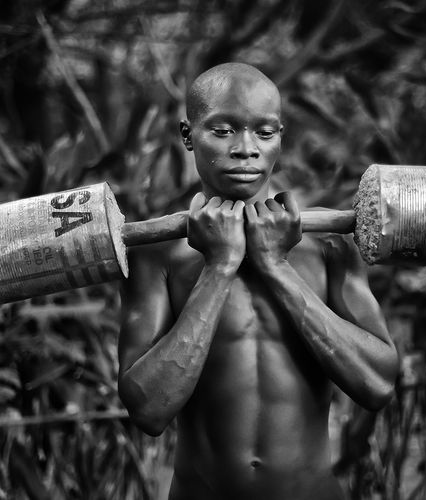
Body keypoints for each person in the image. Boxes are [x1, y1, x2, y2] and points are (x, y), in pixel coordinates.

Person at [118, 62, 399, 500]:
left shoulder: (329, 247)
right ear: (188, 134)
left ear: (280, 138)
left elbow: (378, 386)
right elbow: (148, 409)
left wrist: (275, 265)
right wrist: (219, 266)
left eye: (264, 133)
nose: (246, 148)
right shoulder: (157, 254)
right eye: (224, 130)